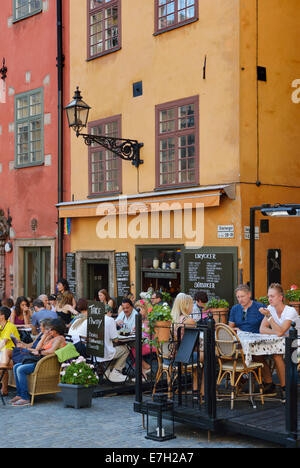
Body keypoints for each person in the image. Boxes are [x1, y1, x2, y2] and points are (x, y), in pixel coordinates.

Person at [229, 284, 275, 396]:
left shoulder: (260, 307)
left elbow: (268, 325)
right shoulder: (235, 309)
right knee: (230, 355)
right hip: (240, 342)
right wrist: (235, 328)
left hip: (257, 342)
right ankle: (240, 382)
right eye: (238, 297)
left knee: (257, 356)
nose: (240, 299)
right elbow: (230, 327)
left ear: (249, 295)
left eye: (242, 296)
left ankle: (269, 384)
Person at [259, 283, 300, 402]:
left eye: (272, 296)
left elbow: (281, 331)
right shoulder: (270, 308)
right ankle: (272, 384)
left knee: (277, 355)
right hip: (282, 341)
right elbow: (262, 329)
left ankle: (286, 389)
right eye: (268, 296)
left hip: (296, 344)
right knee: (259, 354)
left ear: (280, 297)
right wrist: (277, 332)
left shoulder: (290, 311)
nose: (269, 299)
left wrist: (270, 318)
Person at [11, 319, 66, 407]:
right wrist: (44, 336)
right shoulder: (50, 337)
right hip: (39, 361)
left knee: (21, 369)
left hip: (44, 363)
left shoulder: (59, 338)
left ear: (56, 329)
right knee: (16, 366)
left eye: (51, 329)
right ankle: (20, 394)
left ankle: (25, 398)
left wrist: (40, 352)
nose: (49, 331)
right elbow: (37, 348)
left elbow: (51, 351)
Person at [171, 293, 204, 395]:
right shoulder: (189, 320)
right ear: (186, 305)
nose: (192, 306)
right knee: (208, 357)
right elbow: (195, 340)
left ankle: (195, 388)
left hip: (174, 355)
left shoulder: (172, 318)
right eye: (191, 304)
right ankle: (203, 392)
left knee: (198, 353)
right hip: (185, 357)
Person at [98, 313, 129, 383]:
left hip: (95, 353)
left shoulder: (95, 319)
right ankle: (116, 371)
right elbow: (115, 339)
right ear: (109, 312)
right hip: (106, 353)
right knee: (125, 349)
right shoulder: (110, 320)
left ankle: (108, 370)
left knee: (113, 348)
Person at [0, 306, 20, 396]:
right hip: (4, 352)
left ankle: (4, 388)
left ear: (2, 316)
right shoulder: (1, 325)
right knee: (3, 366)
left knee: (3, 364)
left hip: (14, 351)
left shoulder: (10, 326)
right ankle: (4, 389)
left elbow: (4, 342)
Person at [131, 299, 152, 379]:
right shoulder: (140, 319)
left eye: (140, 308)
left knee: (134, 350)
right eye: (137, 309)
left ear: (146, 308)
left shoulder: (149, 319)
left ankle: (143, 371)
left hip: (150, 343)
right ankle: (143, 369)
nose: (138, 311)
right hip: (142, 342)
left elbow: (150, 332)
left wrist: (141, 329)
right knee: (131, 348)